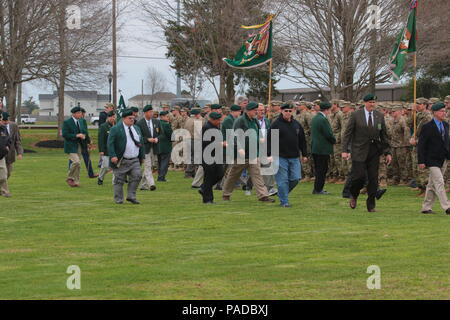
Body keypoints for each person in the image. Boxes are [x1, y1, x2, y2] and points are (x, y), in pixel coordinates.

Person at [342, 94, 392, 212]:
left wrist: (387, 152)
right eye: (370, 102)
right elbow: (347, 134)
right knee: (359, 177)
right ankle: (354, 195)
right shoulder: (356, 115)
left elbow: (383, 135)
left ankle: (371, 205)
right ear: (365, 103)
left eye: (374, 102)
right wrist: (345, 150)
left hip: (374, 151)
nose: (372, 104)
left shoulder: (379, 116)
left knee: (373, 179)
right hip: (359, 151)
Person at [222, 101, 275, 203]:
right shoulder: (240, 121)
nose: (256, 112)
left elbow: (259, 134)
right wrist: (240, 148)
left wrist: (262, 140)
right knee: (233, 175)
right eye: (255, 110)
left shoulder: (255, 121)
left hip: (254, 153)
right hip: (241, 155)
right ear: (248, 111)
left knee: (257, 175)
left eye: (257, 110)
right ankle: (226, 194)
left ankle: (263, 196)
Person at [269, 103, 308, 207]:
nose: (288, 113)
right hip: (279, 157)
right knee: (282, 180)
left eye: (290, 111)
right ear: (281, 111)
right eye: (286, 111)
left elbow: (302, 140)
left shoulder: (296, 124)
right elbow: (270, 140)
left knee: (296, 178)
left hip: (294, 157)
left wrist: (304, 154)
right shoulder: (276, 124)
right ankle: (284, 202)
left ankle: (282, 193)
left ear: (293, 111)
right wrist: (269, 154)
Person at [418, 102, 450, 215]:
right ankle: (447, 206)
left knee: (432, 184)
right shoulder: (427, 127)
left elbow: (447, 142)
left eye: (444, 111)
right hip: (431, 159)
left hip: (443, 158)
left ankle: (426, 207)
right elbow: (421, 145)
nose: (444, 113)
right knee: (440, 182)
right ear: (435, 112)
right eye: (441, 111)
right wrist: (421, 160)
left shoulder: (446, 125)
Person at [107, 109, 145, 205]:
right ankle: (119, 199)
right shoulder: (116, 129)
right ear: (124, 118)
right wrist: (113, 155)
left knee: (137, 176)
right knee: (119, 180)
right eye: (130, 118)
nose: (132, 120)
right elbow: (110, 143)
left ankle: (131, 196)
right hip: (121, 159)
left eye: (133, 118)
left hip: (135, 159)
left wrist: (142, 155)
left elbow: (141, 142)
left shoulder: (136, 128)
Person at [199, 112, 226, 204]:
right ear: (212, 120)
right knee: (209, 177)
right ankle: (208, 199)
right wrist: (220, 143)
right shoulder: (206, 127)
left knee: (220, 174)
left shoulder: (215, 127)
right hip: (207, 155)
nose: (219, 121)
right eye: (218, 120)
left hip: (216, 155)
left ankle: (204, 188)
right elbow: (206, 143)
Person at [311, 102, 336, 195]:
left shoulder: (315, 118)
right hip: (322, 148)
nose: (329, 112)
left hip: (316, 148)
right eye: (329, 110)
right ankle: (318, 189)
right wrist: (334, 140)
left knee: (319, 169)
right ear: (326, 110)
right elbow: (328, 134)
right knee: (322, 169)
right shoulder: (323, 119)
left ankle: (317, 188)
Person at [62, 107, 90, 187]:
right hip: (70, 146)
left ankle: (76, 181)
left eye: (81, 113)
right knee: (76, 162)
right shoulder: (67, 122)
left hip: (79, 145)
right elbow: (65, 134)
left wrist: (86, 139)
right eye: (79, 113)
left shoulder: (80, 122)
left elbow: (84, 132)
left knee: (78, 164)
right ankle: (70, 177)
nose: (81, 115)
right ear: (74, 114)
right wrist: (76, 135)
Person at [136, 105, 160, 191]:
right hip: (145, 148)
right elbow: (138, 137)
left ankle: (143, 185)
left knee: (150, 166)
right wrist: (147, 139)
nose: (151, 113)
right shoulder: (139, 123)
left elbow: (161, 134)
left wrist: (157, 138)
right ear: (145, 113)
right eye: (150, 112)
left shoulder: (156, 122)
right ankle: (151, 184)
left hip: (154, 147)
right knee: (147, 165)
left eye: (152, 111)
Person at [1, 112, 24, 187]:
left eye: (6, 120)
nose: (5, 122)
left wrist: (19, 153)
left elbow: (17, 140)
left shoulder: (14, 126)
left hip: (10, 154)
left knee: (8, 173)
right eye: (3, 120)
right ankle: (3, 189)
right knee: (3, 173)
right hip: (1, 154)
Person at [97, 110, 116, 185]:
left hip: (115, 150)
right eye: (111, 117)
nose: (113, 118)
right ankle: (100, 178)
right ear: (108, 118)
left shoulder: (117, 126)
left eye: (114, 117)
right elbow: (101, 139)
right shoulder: (103, 126)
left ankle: (114, 182)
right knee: (105, 166)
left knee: (115, 166)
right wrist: (101, 150)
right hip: (106, 150)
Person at [157, 111, 173, 182]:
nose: (168, 118)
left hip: (158, 145)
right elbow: (171, 135)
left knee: (160, 162)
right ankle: (161, 177)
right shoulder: (166, 125)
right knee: (165, 163)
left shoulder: (157, 123)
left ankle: (159, 176)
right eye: (167, 116)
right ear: (162, 117)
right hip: (165, 146)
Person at [0, 112, 12, 197]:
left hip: (1, 156)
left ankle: (4, 191)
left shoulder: (3, 129)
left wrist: (7, 146)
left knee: (4, 175)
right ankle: (5, 192)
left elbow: (8, 139)